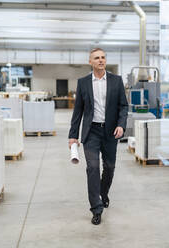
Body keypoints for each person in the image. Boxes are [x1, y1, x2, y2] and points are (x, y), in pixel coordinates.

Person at [68, 48, 128, 225]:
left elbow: (123, 106)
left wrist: (121, 125)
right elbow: (78, 110)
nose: (101, 60)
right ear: (90, 62)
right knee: (92, 168)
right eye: (97, 58)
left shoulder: (116, 81)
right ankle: (96, 208)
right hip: (91, 132)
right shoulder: (83, 82)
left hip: (110, 132)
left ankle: (103, 192)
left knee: (109, 167)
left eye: (103, 57)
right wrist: (73, 136)